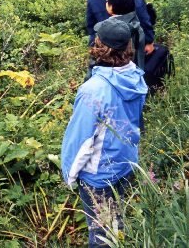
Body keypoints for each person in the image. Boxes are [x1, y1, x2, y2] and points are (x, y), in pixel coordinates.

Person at [61, 18, 148, 247]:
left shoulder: (93, 90)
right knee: (116, 220)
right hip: (126, 164)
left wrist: (69, 174)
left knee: (100, 235)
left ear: (101, 47)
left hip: (99, 176)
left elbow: (81, 139)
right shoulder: (135, 77)